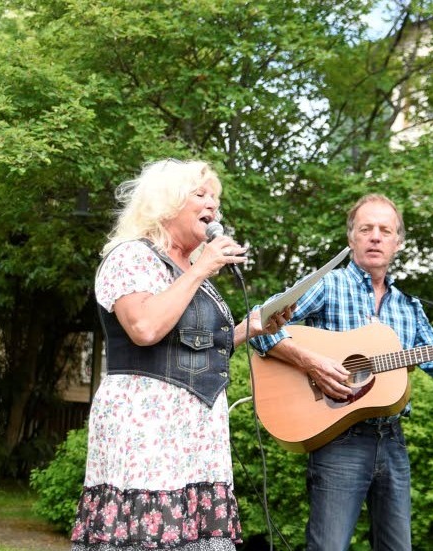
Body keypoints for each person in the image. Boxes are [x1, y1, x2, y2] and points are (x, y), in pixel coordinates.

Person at [251, 193, 433, 551]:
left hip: (392, 441)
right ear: (351, 238)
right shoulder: (330, 285)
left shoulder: (409, 306)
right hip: (337, 440)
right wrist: (310, 362)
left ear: (398, 242)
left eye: (385, 230)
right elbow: (260, 322)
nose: (375, 236)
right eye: (366, 228)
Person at [70, 158, 292, 551]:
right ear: (166, 202)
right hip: (147, 425)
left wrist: (253, 327)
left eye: (216, 200)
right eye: (201, 194)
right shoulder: (131, 256)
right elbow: (144, 328)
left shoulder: (193, 270)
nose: (213, 207)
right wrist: (200, 270)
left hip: (196, 431)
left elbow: (195, 347)